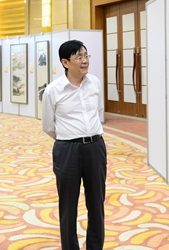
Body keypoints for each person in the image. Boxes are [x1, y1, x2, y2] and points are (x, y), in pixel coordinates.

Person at [41, 40, 107, 250]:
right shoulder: (53, 90)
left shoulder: (95, 83)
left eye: (86, 56)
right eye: (79, 57)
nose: (85, 61)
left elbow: (98, 110)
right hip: (67, 150)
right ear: (65, 62)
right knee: (68, 205)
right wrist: (69, 138)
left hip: (95, 147)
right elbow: (48, 125)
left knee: (96, 203)